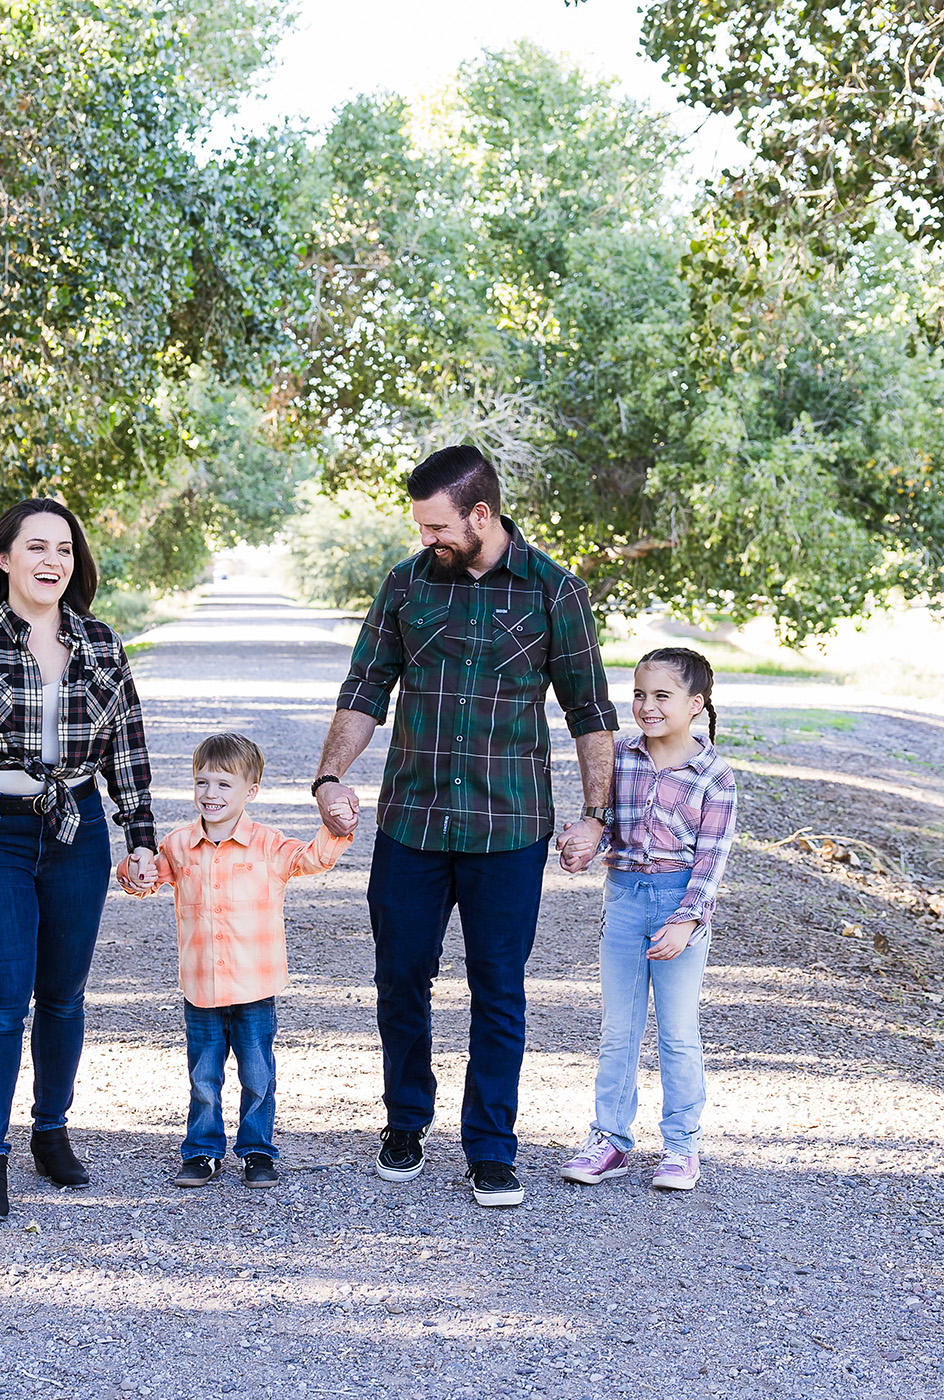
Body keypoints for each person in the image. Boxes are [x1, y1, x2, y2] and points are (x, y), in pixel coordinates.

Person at [312, 445, 618, 1209]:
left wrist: (595, 815)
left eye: (438, 526)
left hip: (508, 828)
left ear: (482, 515)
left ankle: (491, 1147)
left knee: (499, 991)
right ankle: (405, 1122)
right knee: (400, 979)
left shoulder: (555, 591)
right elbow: (366, 686)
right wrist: (328, 777)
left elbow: (591, 714)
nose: (427, 540)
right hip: (412, 823)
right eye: (420, 527)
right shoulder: (407, 585)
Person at [0, 498, 159, 1222]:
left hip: (77, 830)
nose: (53, 561)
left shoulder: (101, 643)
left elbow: (127, 750)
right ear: (5, 559)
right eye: (37, 548)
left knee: (65, 994)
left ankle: (50, 1131)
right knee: (3, 997)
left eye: (66, 550)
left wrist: (141, 837)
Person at [119, 733, 353, 1190]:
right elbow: (145, 880)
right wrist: (135, 870)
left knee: (257, 1074)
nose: (211, 794)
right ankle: (203, 1151)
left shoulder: (267, 845)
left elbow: (311, 860)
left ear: (251, 792)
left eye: (224, 785)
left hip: (254, 985)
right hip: (201, 986)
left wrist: (337, 830)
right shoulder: (179, 845)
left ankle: (257, 1151)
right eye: (202, 783)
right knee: (203, 1076)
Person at [556, 647, 737, 1192]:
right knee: (620, 1029)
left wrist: (686, 921)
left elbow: (712, 858)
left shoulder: (715, 775)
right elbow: (606, 824)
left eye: (662, 696)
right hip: (626, 899)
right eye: (639, 694)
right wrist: (584, 844)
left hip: (682, 906)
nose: (647, 706)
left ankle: (681, 1148)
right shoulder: (619, 756)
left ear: (695, 704)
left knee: (678, 1033)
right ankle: (609, 1139)